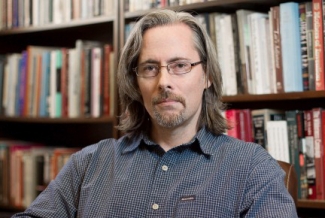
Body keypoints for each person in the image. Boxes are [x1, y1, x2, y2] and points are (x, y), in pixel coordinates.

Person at [13, 9, 297, 218]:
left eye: (180, 65)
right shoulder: (89, 164)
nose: (164, 82)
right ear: (136, 82)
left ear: (207, 75)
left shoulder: (252, 168)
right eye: (150, 68)